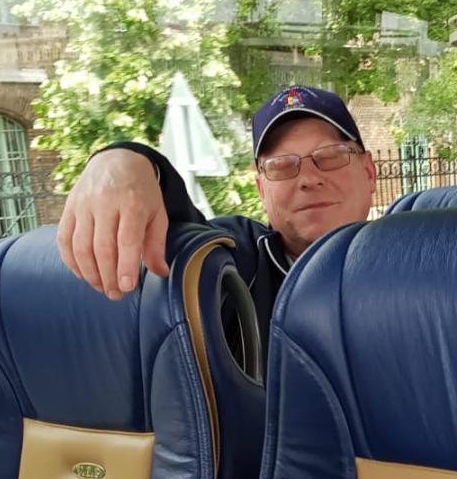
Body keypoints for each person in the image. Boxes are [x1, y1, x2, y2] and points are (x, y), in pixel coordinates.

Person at [57, 85, 377, 359]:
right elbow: (184, 242)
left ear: (369, 171)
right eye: (281, 166)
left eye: (331, 156)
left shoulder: (406, 260)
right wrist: (123, 161)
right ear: (261, 190)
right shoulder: (238, 267)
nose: (308, 178)